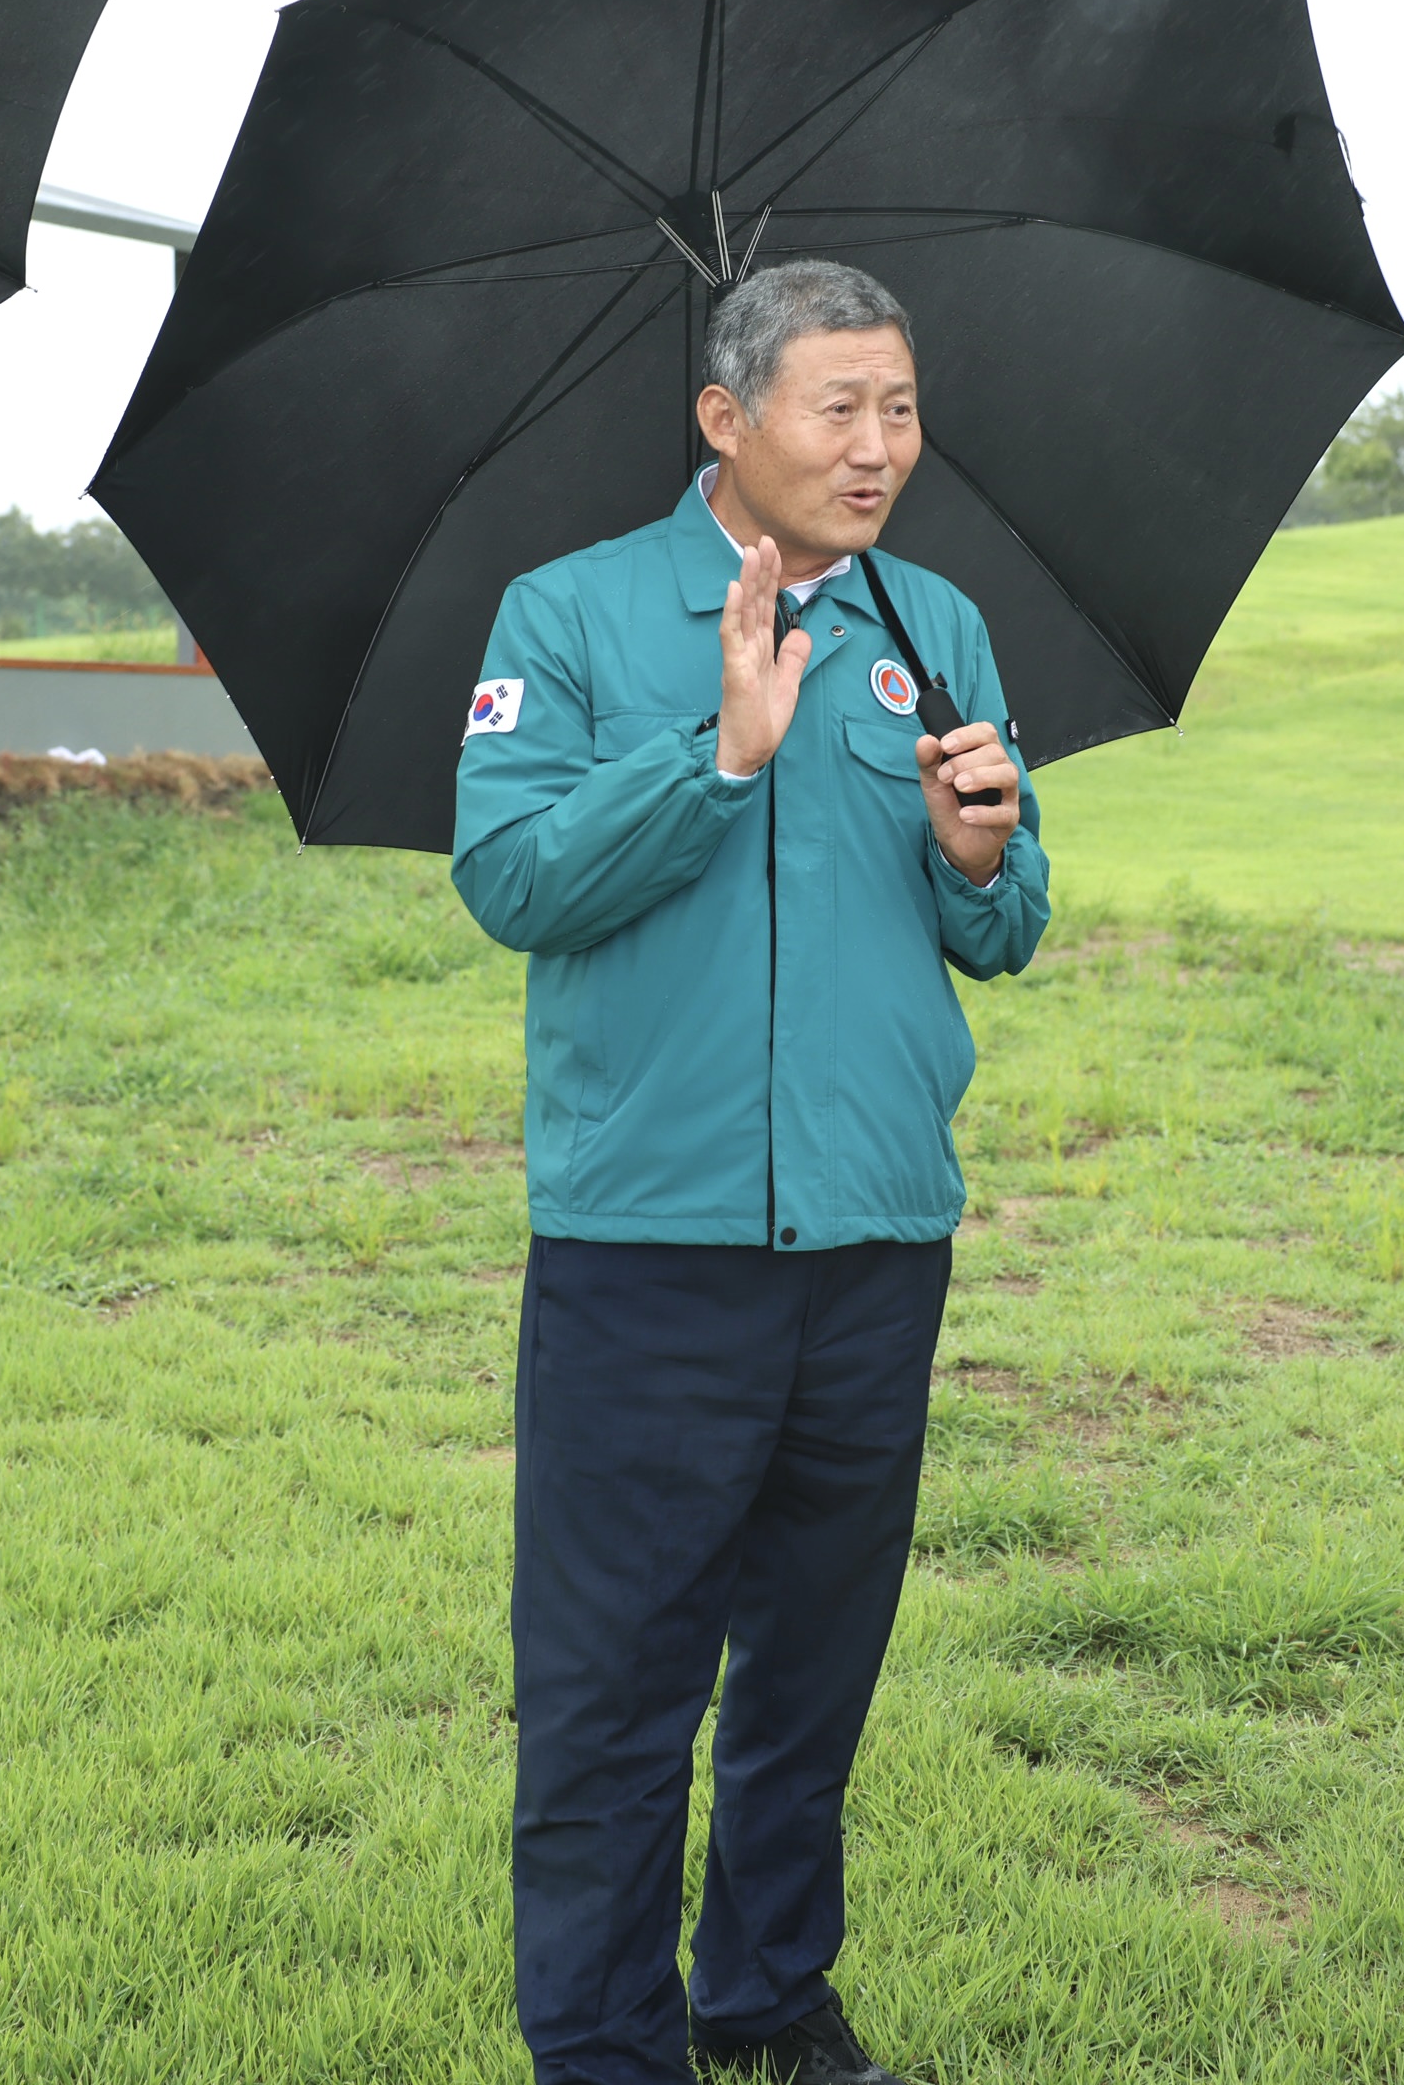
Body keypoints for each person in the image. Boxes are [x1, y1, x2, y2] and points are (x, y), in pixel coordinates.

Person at [451, 259, 1050, 2085]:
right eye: (839, 407)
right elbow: (517, 882)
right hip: (654, 1247)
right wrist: (715, 752)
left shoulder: (928, 615)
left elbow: (1010, 926)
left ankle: (769, 1990)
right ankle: (605, 2044)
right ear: (727, 418)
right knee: (615, 1689)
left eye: (901, 406)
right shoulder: (565, 614)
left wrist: (980, 843)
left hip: (876, 1239)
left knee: (810, 1672)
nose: (880, 448)